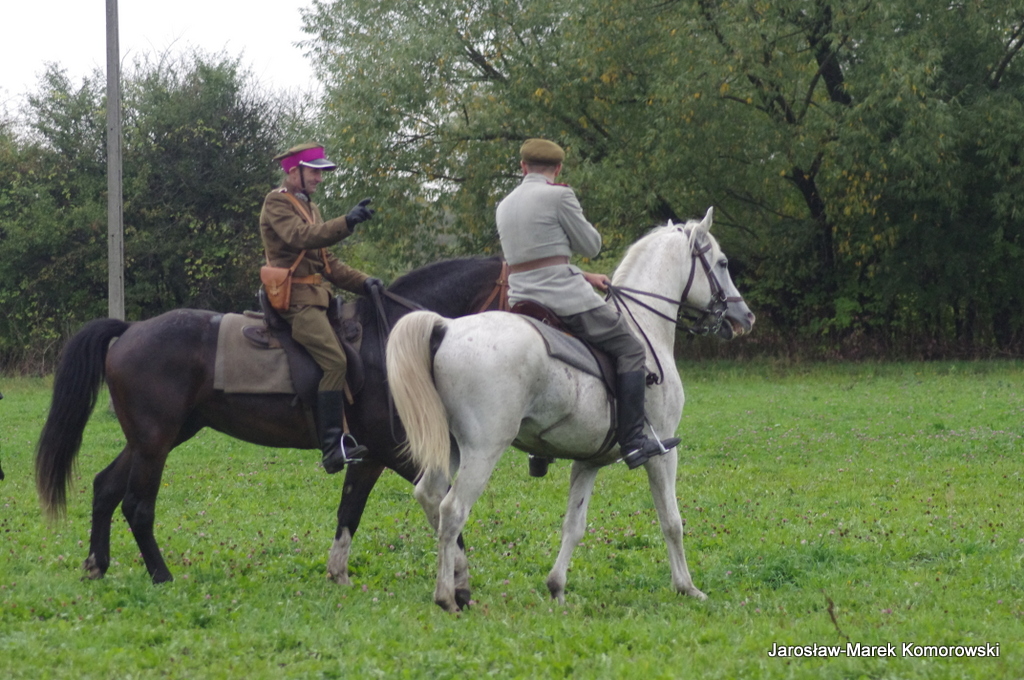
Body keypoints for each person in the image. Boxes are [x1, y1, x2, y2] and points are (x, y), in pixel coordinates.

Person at [496, 138, 680, 470]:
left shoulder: (504, 205)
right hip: (564, 299)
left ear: (522, 167)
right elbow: (591, 245)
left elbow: (532, 260)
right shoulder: (560, 196)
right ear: (558, 168)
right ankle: (633, 442)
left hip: (521, 300)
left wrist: (585, 275)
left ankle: (539, 451)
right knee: (630, 348)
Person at [259, 142, 384, 474]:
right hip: (295, 302)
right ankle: (332, 446)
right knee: (335, 361)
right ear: (293, 172)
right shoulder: (276, 202)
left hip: (319, 300)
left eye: (321, 172)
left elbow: (328, 263)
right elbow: (302, 237)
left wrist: (365, 282)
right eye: (314, 172)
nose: (319, 178)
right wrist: (346, 222)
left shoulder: (310, 207)